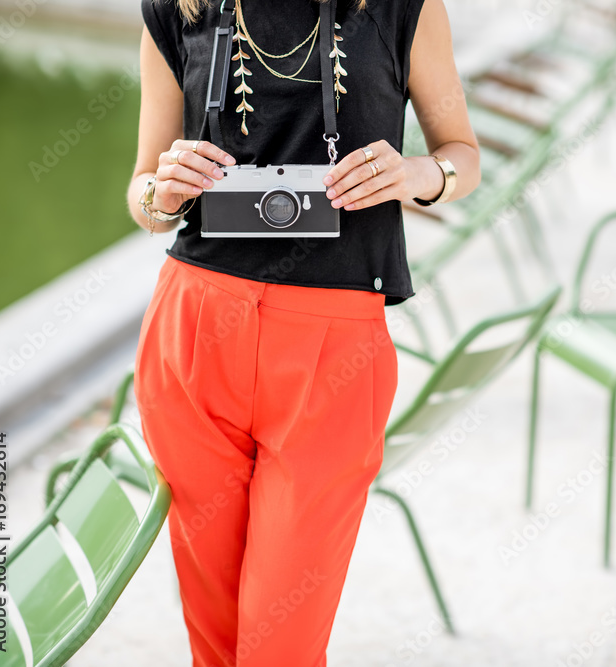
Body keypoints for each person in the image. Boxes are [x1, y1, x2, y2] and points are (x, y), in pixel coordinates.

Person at [126, 0, 479, 662]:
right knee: (215, 631)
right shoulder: (178, 9)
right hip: (196, 331)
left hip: (335, 346)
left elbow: (463, 154)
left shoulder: (406, 8)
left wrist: (414, 175)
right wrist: (162, 192)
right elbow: (143, 192)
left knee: (279, 642)